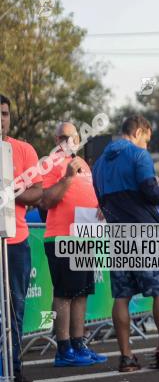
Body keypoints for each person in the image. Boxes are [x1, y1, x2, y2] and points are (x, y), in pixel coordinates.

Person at [92, 115, 159, 372]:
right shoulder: (138, 156)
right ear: (140, 131)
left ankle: (127, 357)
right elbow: (150, 191)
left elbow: (100, 200)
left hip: (118, 235)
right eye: (148, 140)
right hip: (145, 234)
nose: (148, 146)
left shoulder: (98, 165)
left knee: (122, 296)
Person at [40, 122, 107, 367]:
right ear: (57, 139)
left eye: (74, 137)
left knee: (82, 293)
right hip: (61, 237)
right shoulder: (48, 163)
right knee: (64, 294)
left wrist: (99, 206)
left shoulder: (85, 164)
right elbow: (45, 201)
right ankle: (63, 349)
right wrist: (68, 178)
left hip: (85, 235)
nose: (70, 141)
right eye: (64, 137)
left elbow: (89, 194)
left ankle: (79, 345)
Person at [1, 95, 43, 382]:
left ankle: (15, 370)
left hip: (17, 240)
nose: (1, 119)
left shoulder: (24, 150)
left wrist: (9, 189)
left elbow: (37, 192)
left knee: (15, 306)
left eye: (4, 113)